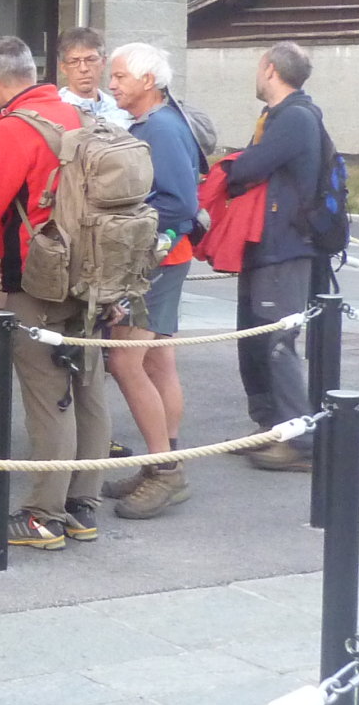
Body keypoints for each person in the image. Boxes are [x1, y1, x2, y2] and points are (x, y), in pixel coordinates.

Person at [0, 36, 109, 551]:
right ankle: (82, 506)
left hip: (39, 280)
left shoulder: (14, 128)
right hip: (94, 275)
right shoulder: (77, 116)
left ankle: (44, 515)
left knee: (48, 397)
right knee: (88, 387)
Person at [100, 43, 199, 518]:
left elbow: (180, 203)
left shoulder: (159, 128)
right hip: (166, 257)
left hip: (154, 261)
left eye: (119, 76)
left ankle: (165, 470)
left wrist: (126, 225)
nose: (111, 84)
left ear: (148, 81)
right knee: (158, 362)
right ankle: (163, 460)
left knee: (125, 362)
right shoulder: (156, 123)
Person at [224, 40, 330, 473]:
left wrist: (228, 168)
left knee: (277, 342)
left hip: (285, 247)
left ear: (270, 69)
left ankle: (298, 440)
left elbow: (248, 168)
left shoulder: (295, 118)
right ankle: (270, 425)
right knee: (254, 338)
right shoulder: (279, 116)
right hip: (265, 244)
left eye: (258, 67)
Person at [54, 26, 126, 125]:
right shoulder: (55, 110)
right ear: (63, 67)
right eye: (74, 62)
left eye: (91, 60)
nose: (83, 68)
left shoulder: (120, 110)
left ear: (103, 62)